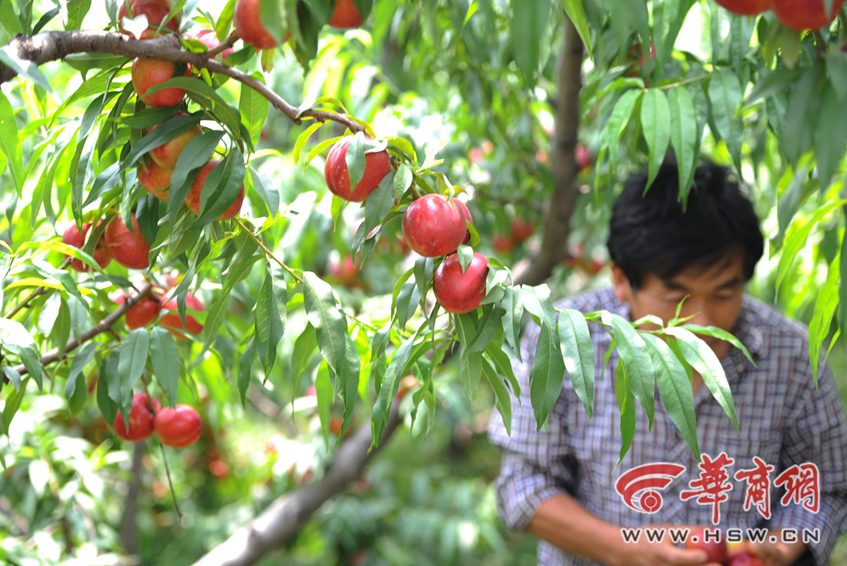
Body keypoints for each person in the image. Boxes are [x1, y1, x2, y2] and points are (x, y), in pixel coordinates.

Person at [487, 160, 847, 566]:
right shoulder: (561, 344)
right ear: (622, 280)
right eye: (677, 297)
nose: (702, 321)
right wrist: (621, 549)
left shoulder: (791, 356)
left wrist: (777, 550)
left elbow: (827, 486)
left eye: (724, 294)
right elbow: (523, 485)